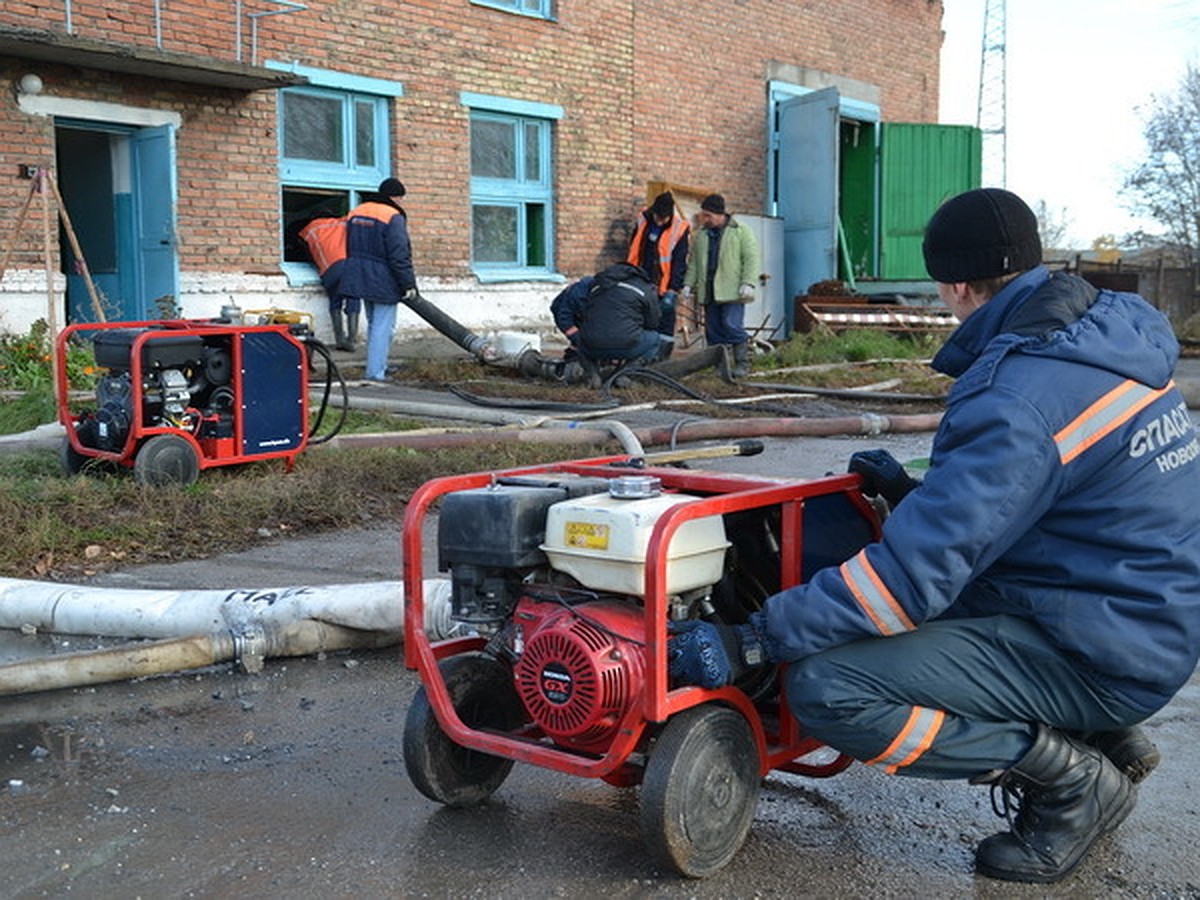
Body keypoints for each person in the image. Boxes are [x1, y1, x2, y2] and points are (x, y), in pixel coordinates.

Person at [667, 188, 1200, 884]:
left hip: (1103, 648)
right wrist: (914, 497)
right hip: (1137, 613)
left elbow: (907, 584)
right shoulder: (1103, 335)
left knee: (830, 687)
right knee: (889, 602)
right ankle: (1105, 738)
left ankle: (1072, 782)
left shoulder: (1017, 395)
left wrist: (759, 637)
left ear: (953, 283)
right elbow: (1039, 506)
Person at [338, 177, 416, 383]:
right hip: (384, 279)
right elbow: (399, 254)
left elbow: (347, 245)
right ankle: (375, 374)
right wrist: (408, 283)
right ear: (395, 196)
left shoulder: (357, 212)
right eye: (401, 198)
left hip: (359, 275)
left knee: (374, 324)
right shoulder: (393, 216)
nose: (402, 202)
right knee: (383, 327)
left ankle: (378, 365)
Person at [681, 193, 759, 377]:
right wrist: (687, 284)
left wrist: (748, 282)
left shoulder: (740, 230)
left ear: (720, 214)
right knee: (713, 330)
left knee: (731, 325)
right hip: (709, 291)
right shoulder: (702, 235)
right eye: (703, 215)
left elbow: (751, 258)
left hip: (731, 290)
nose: (704, 219)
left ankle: (742, 363)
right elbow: (694, 263)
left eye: (708, 215)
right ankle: (719, 366)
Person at [550, 262, 660, 384]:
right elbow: (653, 323)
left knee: (585, 341)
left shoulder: (599, 286)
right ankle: (626, 374)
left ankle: (592, 375)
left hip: (591, 342)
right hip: (624, 341)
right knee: (654, 339)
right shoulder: (643, 288)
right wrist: (575, 338)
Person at [627, 191, 689, 360]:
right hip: (641, 280)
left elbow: (679, 262)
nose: (660, 221)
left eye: (664, 218)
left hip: (664, 285)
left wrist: (673, 289)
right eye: (658, 217)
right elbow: (634, 249)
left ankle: (661, 359)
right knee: (642, 319)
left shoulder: (679, 229)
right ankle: (642, 356)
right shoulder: (644, 221)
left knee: (665, 321)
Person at [298, 215, 355, 351]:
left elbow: (306, 252)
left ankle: (339, 339)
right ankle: (351, 340)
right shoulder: (343, 222)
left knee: (335, 301)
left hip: (329, 268)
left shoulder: (310, 228)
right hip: (349, 264)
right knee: (353, 298)